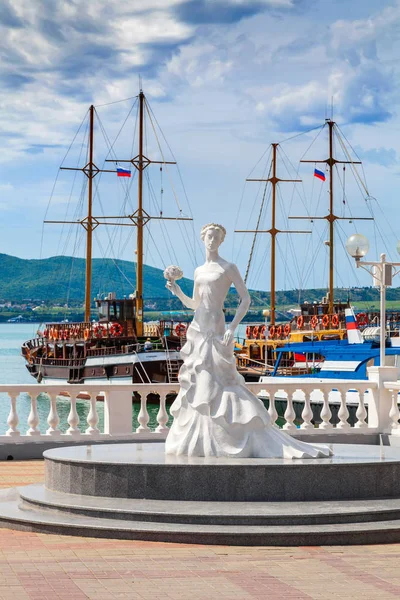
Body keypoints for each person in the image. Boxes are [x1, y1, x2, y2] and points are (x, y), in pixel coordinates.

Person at [165, 222, 332, 459]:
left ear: (221, 241)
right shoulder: (198, 271)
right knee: (200, 378)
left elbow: (246, 299)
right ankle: (200, 437)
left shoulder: (228, 267)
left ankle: (225, 435)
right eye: (209, 236)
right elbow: (195, 303)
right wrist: (176, 290)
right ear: (203, 239)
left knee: (219, 379)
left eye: (216, 237)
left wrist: (233, 327)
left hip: (217, 325)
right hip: (198, 326)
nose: (211, 240)